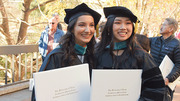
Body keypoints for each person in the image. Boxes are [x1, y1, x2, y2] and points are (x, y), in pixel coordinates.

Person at [31, 3, 101, 101]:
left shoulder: (93, 54)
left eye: (91, 25)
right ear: (72, 29)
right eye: (81, 25)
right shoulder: (57, 55)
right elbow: (41, 93)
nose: (87, 30)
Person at [95, 6, 165, 101]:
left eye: (128, 23)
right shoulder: (97, 53)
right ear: (109, 27)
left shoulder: (142, 56)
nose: (123, 27)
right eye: (117, 23)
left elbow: (156, 89)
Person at [149, 18, 180, 101]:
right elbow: (139, 41)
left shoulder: (177, 45)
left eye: (164, 24)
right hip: (151, 81)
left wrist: (168, 78)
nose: (161, 26)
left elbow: (179, 65)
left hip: (166, 85)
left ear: (171, 29)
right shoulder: (154, 40)